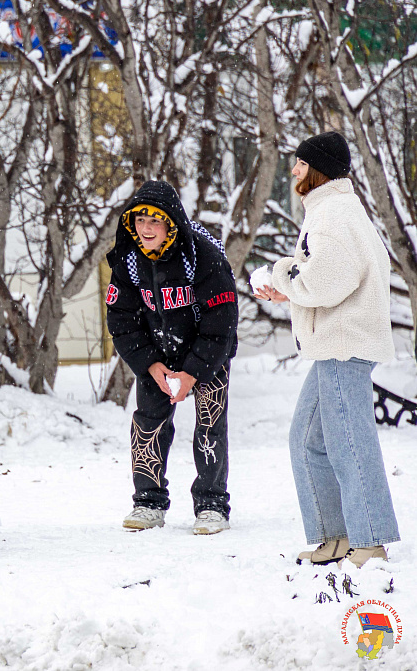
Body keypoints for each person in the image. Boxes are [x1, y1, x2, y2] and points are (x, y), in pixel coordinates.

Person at [254, 131, 400, 568]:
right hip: (334, 344)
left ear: (314, 169)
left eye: (299, 163)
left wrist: (282, 277)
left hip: (344, 342)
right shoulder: (332, 210)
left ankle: (369, 539)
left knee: (348, 442)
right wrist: (294, 291)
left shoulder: (334, 214)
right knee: (307, 440)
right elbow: (329, 277)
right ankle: (336, 537)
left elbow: (327, 280)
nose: (292, 170)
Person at [105, 180, 238, 535]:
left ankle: (211, 505)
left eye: (155, 221)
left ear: (171, 224)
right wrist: (149, 363)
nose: (146, 228)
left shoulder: (203, 256)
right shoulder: (128, 258)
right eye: (140, 220)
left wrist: (194, 371)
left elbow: (221, 322)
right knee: (147, 424)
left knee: (210, 426)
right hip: (157, 354)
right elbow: (120, 320)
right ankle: (148, 502)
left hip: (208, 353)